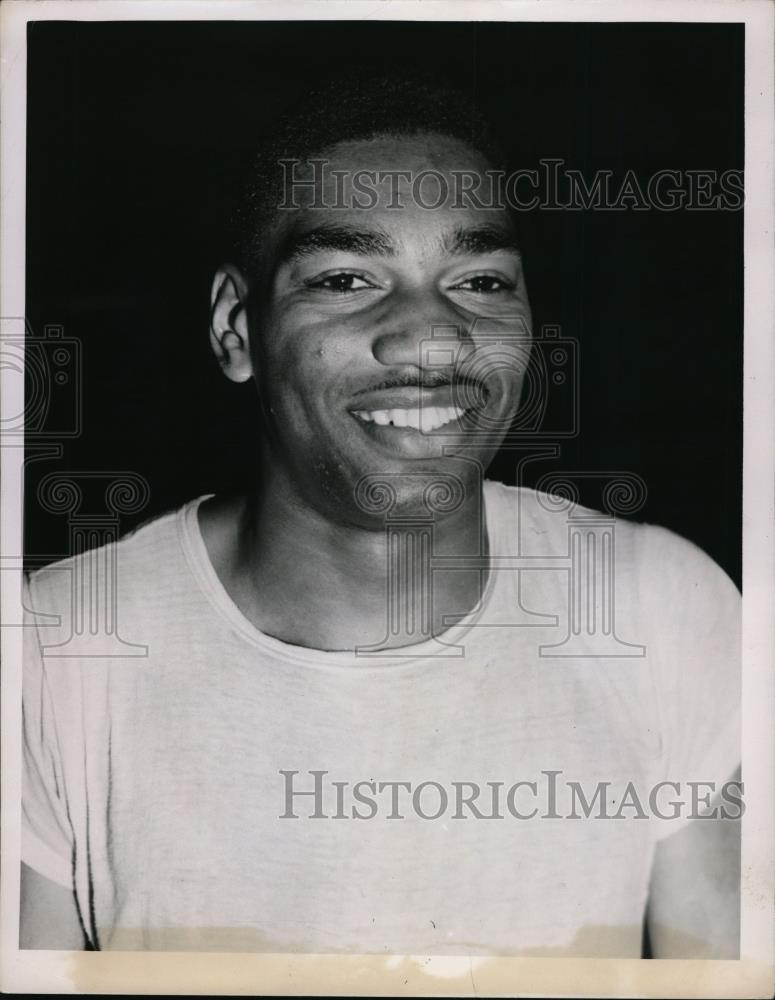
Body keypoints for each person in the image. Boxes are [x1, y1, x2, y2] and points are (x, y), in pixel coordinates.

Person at [20, 72, 741, 956]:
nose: (427, 337)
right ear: (236, 328)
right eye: (348, 276)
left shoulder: (660, 605)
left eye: (478, 280)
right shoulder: (50, 655)